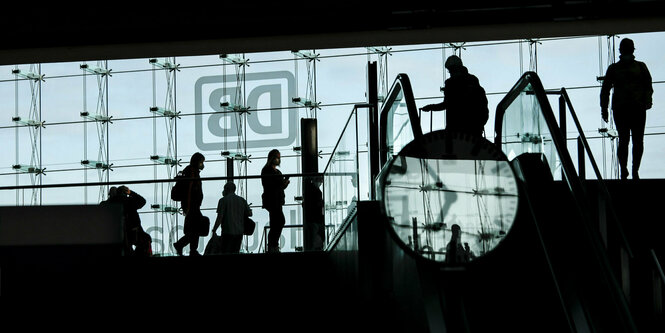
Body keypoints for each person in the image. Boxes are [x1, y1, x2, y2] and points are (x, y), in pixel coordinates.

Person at [600, 38, 653, 180]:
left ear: (620, 50)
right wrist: (647, 100)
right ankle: (631, 170)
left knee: (628, 141)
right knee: (634, 141)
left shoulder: (614, 69)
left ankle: (628, 170)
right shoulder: (639, 67)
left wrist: (604, 108)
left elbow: (605, 90)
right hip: (633, 108)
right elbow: (648, 86)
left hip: (625, 108)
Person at [421, 55, 489, 138]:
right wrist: (480, 124)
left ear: (453, 69)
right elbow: (483, 106)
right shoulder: (474, 84)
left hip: (455, 130)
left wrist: (431, 107)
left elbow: (446, 104)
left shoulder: (451, 84)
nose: (450, 73)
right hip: (474, 130)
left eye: (450, 71)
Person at [101, 185, 152, 256]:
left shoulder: (107, 204)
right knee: (145, 240)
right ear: (125, 192)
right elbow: (142, 201)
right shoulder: (130, 201)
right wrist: (131, 193)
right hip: (133, 230)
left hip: (116, 232)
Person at [174, 152, 206, 256]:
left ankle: (191, 249)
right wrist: (187, 206)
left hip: (192, 205)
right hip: (192, 205)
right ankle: (182, 245)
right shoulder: (192, 172)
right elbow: (189, 190)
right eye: (201, 162)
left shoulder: (192, 171)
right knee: (197, 228)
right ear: (197, 162)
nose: (202, 165)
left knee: (195, 228)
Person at [261, 149, 290, 253]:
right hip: (272, 199)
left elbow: (280, 186)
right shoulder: (267, 170)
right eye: (276, 157)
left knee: (276, 222)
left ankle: (273, 245)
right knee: (278, 221)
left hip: (277, 199)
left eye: (279, 157)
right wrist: (283, 183)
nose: (278, 159)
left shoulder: (275, 171)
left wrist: (284, 183)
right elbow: (273, 185)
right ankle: (273, 245)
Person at [211, 182, 251, 254]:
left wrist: (214, 230)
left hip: (227, 232)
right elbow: (249, 214)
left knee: (226, 252)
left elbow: (220, 217)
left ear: (226, 189)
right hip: (239, 232)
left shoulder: (223, 200)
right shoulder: (242, 200)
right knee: (235, 252)